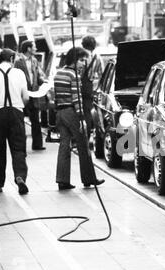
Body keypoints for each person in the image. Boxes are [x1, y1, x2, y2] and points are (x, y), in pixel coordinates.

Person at [54, 47, 104, 190]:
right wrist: (82, 117)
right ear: (74, 60)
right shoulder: (73, 75)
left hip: (60, 113)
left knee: (64, 146)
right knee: (83, 145)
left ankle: (62, 180)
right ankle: (89, 178)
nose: (84, 63)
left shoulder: (59, 73)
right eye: (81, 60)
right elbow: (77, 99)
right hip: (72, 113)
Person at [0, 49, 29, 195]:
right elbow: (26, 97)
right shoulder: (19, 73)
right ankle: (20, 177)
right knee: (18, 149)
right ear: (12, 58)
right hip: (16, 113)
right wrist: (19, 106)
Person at [14, 40, 47, 151]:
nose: (36, 49)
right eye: (34, 47)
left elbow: (37, 76)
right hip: (23, 95)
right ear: (28, 48)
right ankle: (20, 144)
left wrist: (45, 82)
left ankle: (37, 144)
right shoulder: (18, 62)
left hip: (34, 94)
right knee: (20, 120)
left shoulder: (34, 60)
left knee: (35, 120)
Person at [81, 35, 102, 138]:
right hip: (90, 87)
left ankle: (79, 136)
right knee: (88, 112)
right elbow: (102, 75)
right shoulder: (97, 57)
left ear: (83, 45)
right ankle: (87, 135)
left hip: (79, 87)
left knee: (78, 112)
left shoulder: (81, 57)